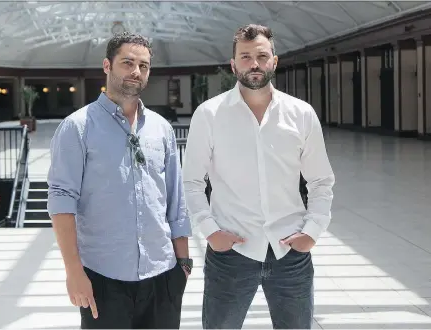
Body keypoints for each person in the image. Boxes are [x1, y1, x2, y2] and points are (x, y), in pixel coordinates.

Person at [182, 24, 335, 329]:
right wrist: (211, 232)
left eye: (262, 56)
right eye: (246, 56)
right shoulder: (209, 114)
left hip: (289, 252)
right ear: (233, 64)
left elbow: (320, 181)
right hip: (231, 253)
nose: (254, 64)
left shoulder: (301, 113)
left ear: (274, 61)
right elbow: (192, 181)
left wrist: (313, 230)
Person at [47, 32, 192, 329]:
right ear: (107, 66)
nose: (135, 72)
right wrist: (73, 271)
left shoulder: (161, 129)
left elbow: (176, 200)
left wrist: (184, 264)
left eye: (143, 65)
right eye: (127, 62)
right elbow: (62, 202)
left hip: (163, 274)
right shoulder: (77, 127)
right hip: (103, 278)